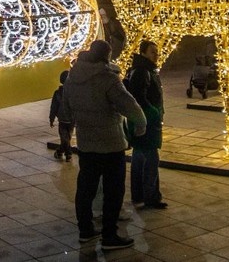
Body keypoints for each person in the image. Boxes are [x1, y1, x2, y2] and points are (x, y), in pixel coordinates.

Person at [60, 39, 146, 251]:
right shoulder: (107, 78)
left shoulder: (73, 76)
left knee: (85, 189)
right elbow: (128, 104)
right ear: (106, 56)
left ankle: (85, 230)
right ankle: (109, 235)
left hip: (86, 143)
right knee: (113, 191)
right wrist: (141, 123)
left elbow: (65, 109)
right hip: (110, 144)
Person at [125, 40, 167, 209]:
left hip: (143, 120)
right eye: (152, 52)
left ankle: (139, 195)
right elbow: (139, 97)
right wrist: (154, 113)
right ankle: (151, 197)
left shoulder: (144, 69)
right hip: (147, 121)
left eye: (157, 52)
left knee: (139, 156)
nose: (156, 55)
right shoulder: (143, 71)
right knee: (151, 159)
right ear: (143, 53)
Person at [49, 69, 74, 162]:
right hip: (66, 120)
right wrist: (51, 118)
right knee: (65, 138)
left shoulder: (59, 93)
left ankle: (60, 151)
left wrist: (52, 118)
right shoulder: (70, 93)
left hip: (69, 119)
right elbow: (54, 106)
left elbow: (54, 107)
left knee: (66, 138)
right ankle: (68, 154)